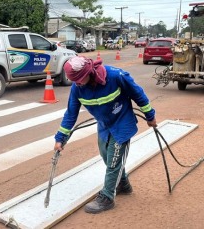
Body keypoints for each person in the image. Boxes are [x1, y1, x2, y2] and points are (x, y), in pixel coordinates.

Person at [54, 56, 157, 214]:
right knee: (106, 157)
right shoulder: (77, 88)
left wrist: (150, 116)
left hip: (123, 122)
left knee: (114, 160)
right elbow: (71, 114)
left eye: (80, 79)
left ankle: (107, 197)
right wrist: (60, 138)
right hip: (104, 125)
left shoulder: (116, 76)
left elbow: (138, 94)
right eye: (75, 81)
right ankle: (123, 184)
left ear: (89, 72)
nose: (78, 83)